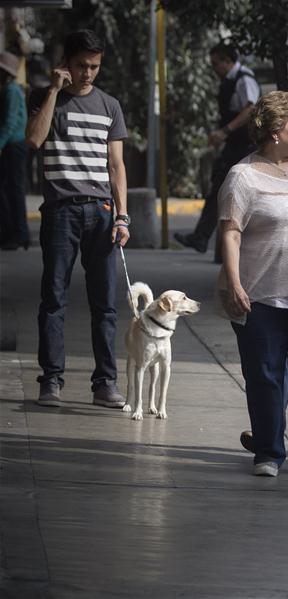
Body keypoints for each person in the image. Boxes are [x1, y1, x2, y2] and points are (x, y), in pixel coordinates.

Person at [219, 91, 288, 477]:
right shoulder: (242, 176)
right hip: (259, 297)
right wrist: (234, 284)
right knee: (265, 378)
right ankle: (268, 452)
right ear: (277, 131)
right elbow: (230, 234)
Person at [25, 29, 130, 408]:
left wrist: (122, 217)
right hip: (60, 212)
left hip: (101, 213)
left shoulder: (109, 106)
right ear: (66, 63)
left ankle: (105, 383)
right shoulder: (44, 97)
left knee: (105, 303)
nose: (88, 73)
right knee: (53, 299)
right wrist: (53, 91)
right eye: (82, 65)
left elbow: (116, 166)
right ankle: (50, 380)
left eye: (95, 66)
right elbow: (34, 140)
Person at [176, 42, 259, 253]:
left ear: (227, 60)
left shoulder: (244, 79)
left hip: (245, 145)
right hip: (234, 144)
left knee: (226, 188)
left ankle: (205, 238)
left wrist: (225, 131)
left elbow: (251, 109)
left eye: (216, 63)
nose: (214, 69)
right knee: (220, 188)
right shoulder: (229, 81)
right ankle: (204, 238)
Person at [0, 50, 29, 250]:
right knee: (11, 189)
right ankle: (16, 233)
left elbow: (9, 122)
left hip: (14, 145)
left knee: (13, 190)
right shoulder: (11, 89)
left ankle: (18, 234)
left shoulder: (11, 90)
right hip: (14, 144)